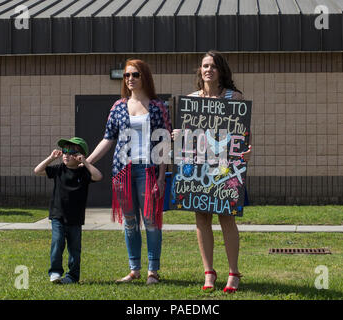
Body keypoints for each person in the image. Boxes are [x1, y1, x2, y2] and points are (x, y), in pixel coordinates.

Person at [172, 50, 252, 293]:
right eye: (205, 66)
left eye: (213, 66)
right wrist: (178, 135)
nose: (208, 70)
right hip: (198, 167)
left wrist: (247, 150)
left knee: (226, 217)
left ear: (221, 71)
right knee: (201, 218)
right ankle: (209, 272)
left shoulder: (233, 97)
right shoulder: (191, 99)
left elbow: (243, 132)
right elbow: (188, 134)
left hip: (225, 166)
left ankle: (233, 272)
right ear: (200, 70)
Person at [87, 59, 171, 285]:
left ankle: (153, 271)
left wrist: (162, 177)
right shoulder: (118, 107)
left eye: (135, 74)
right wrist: (87, 162)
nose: (130, 79)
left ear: (144, 77)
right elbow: (107, 139)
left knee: (151, 221)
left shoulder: (157, 107)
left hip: (149, 170)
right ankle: (134, 269)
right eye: (127, 75)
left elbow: (164, 143)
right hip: (123, 171)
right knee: (130, 221)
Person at [34, 137, 103, 284]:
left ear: (79, 156)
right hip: (58, 215)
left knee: (74, 249)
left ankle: (72, 276)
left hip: (75, 218)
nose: (66, 154)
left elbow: (98, 176)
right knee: (57, 242)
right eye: (64, 151)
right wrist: (51, 158)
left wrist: (85, 162)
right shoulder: (59, 170)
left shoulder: (84, 173)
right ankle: (55, 272)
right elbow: (37, 170)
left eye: (71, 152)